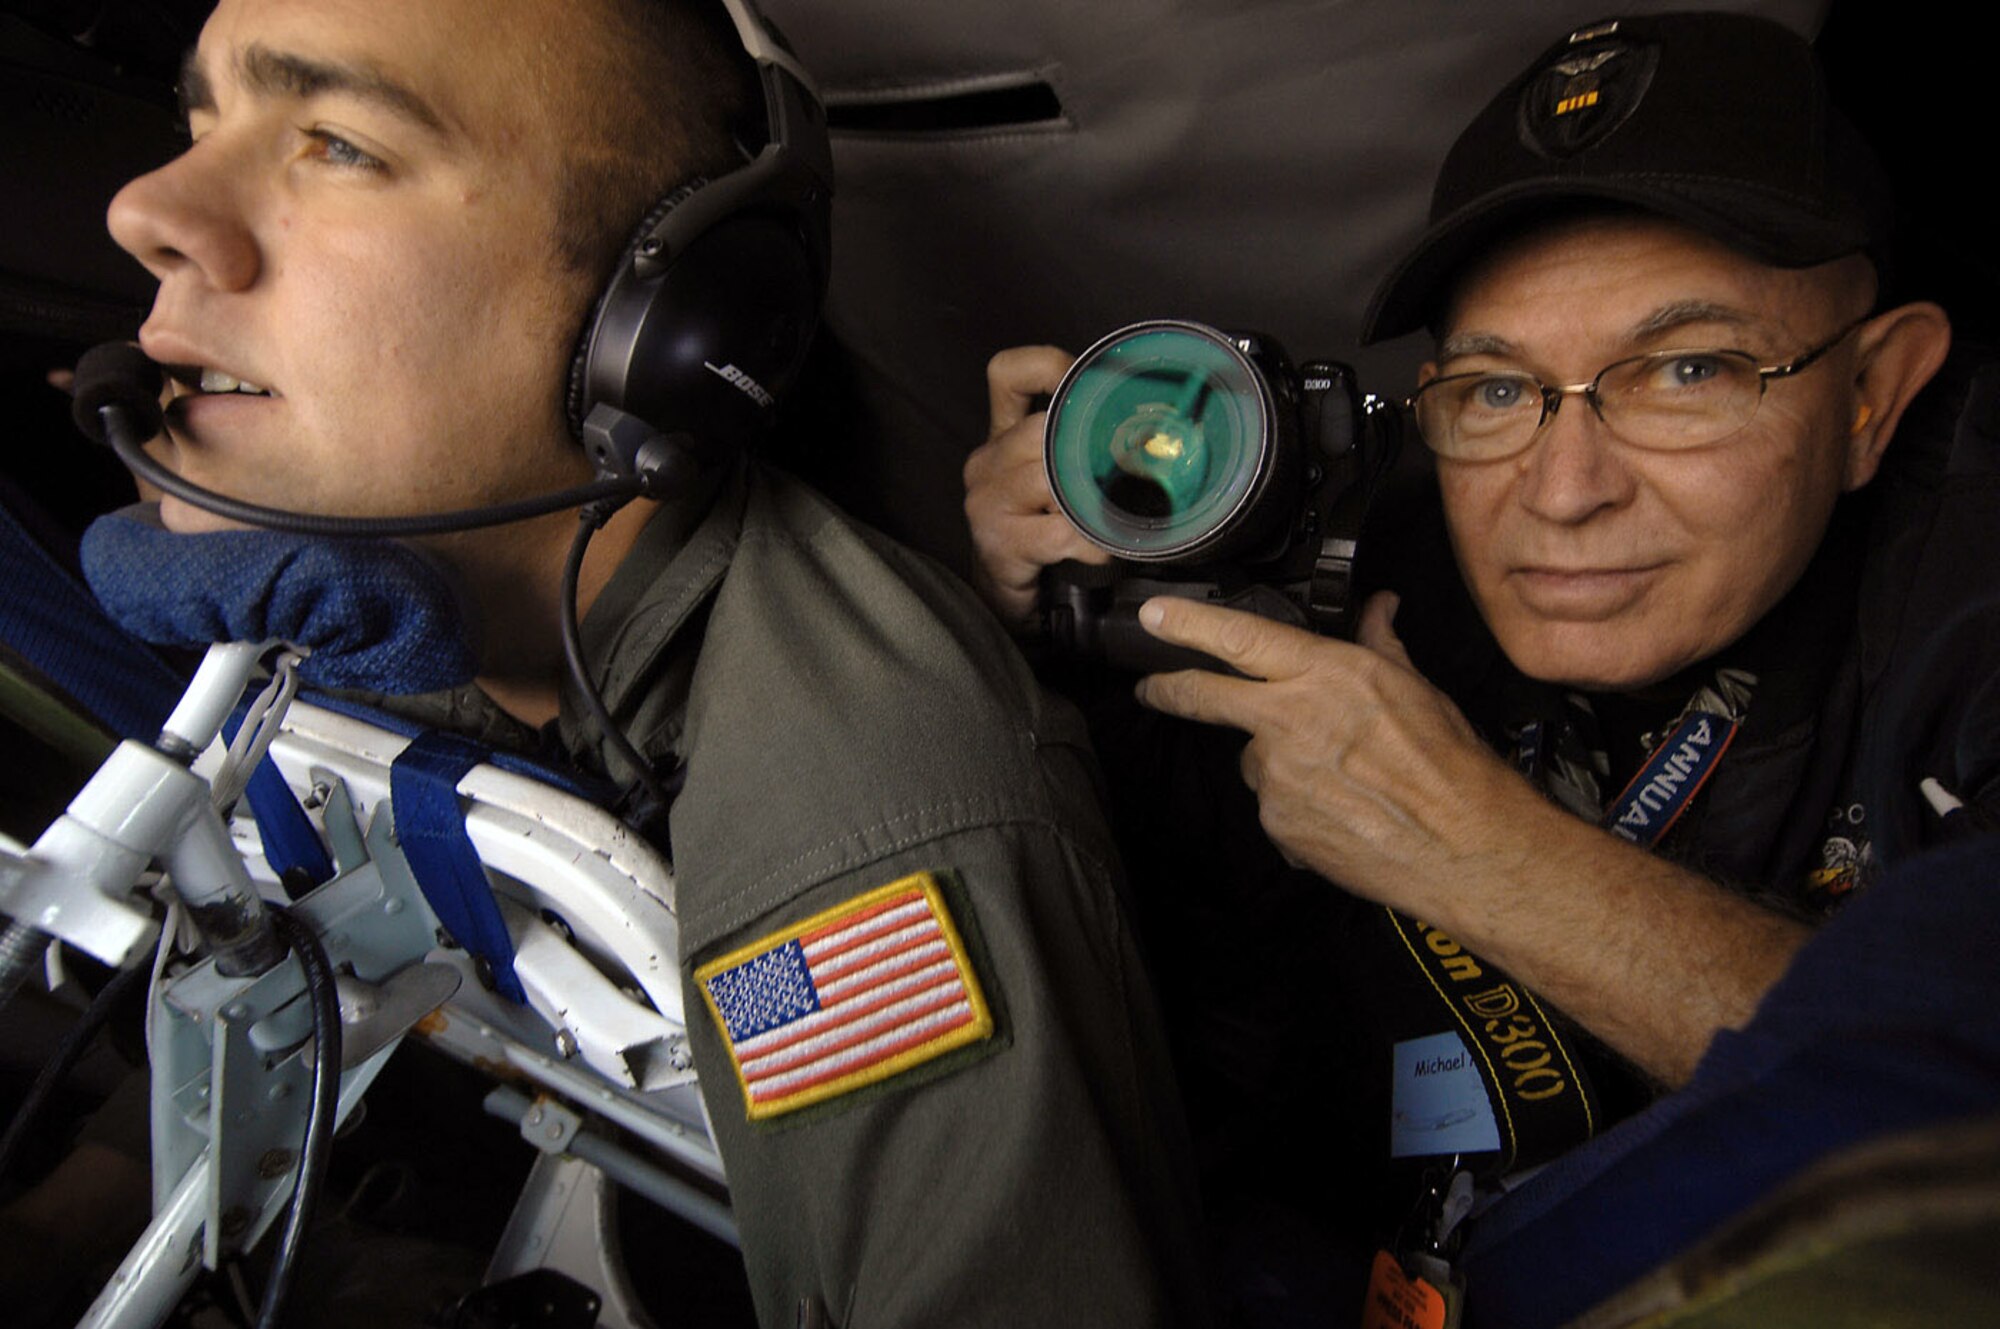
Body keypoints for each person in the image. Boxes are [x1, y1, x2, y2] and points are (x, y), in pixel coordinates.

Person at [95, 0, 1207, 1323]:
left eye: (338, 142)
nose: (149, 206)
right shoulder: (357, 604)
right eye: (203, 118)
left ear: (670, 319)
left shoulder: (869, 821)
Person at [963, 6, 1995, 1303]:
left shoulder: (1969, 578)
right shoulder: (1361, 546)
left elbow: (1964, 1119)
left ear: (1874, 393)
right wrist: (1030, 638)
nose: (1562, 493)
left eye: (1685, 371)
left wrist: (1469, 847)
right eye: (1499, 388)